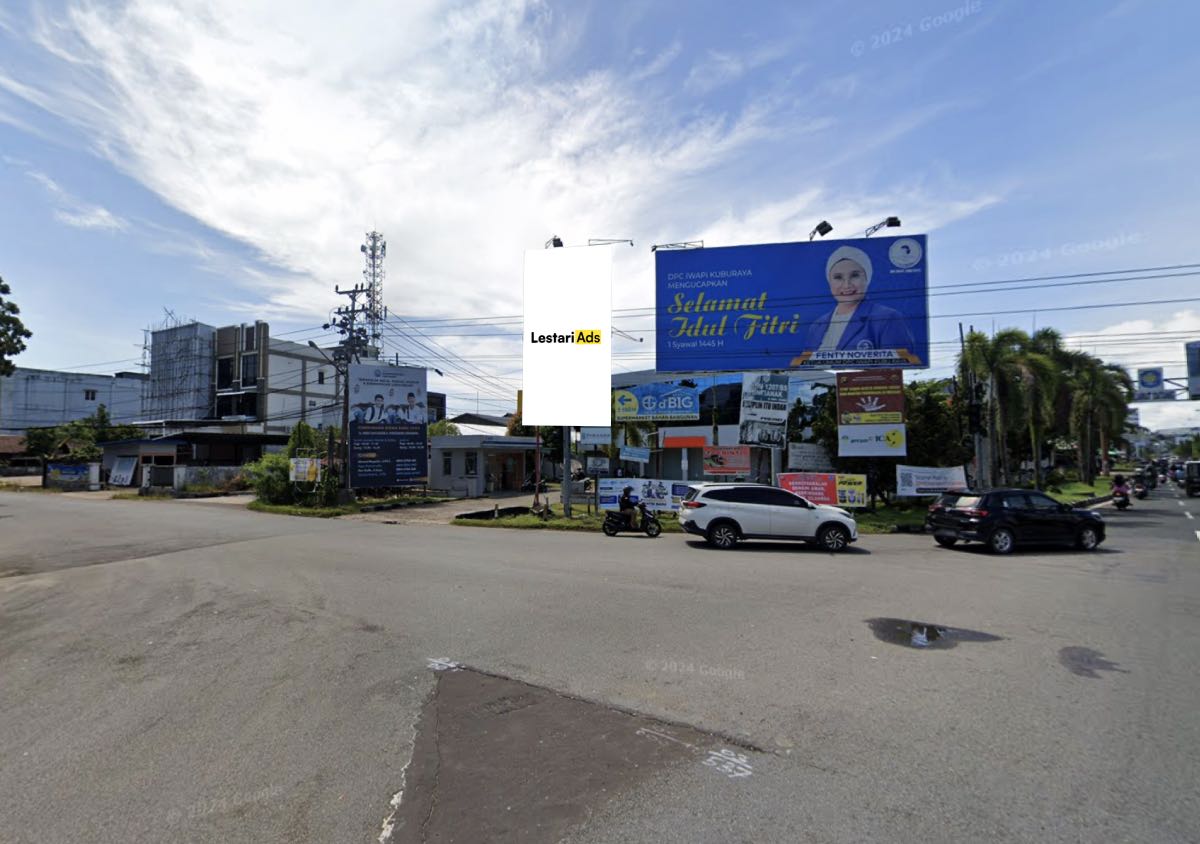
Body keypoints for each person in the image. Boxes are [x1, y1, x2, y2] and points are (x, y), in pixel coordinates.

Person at [804, 245, 917, 355]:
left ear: (867, 278)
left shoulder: (888, 318)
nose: (846, 285)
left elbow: (898, 364)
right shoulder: (817, 325)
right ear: (829, 282)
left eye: (854, 275)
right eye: (838, 277)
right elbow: (806, 366)